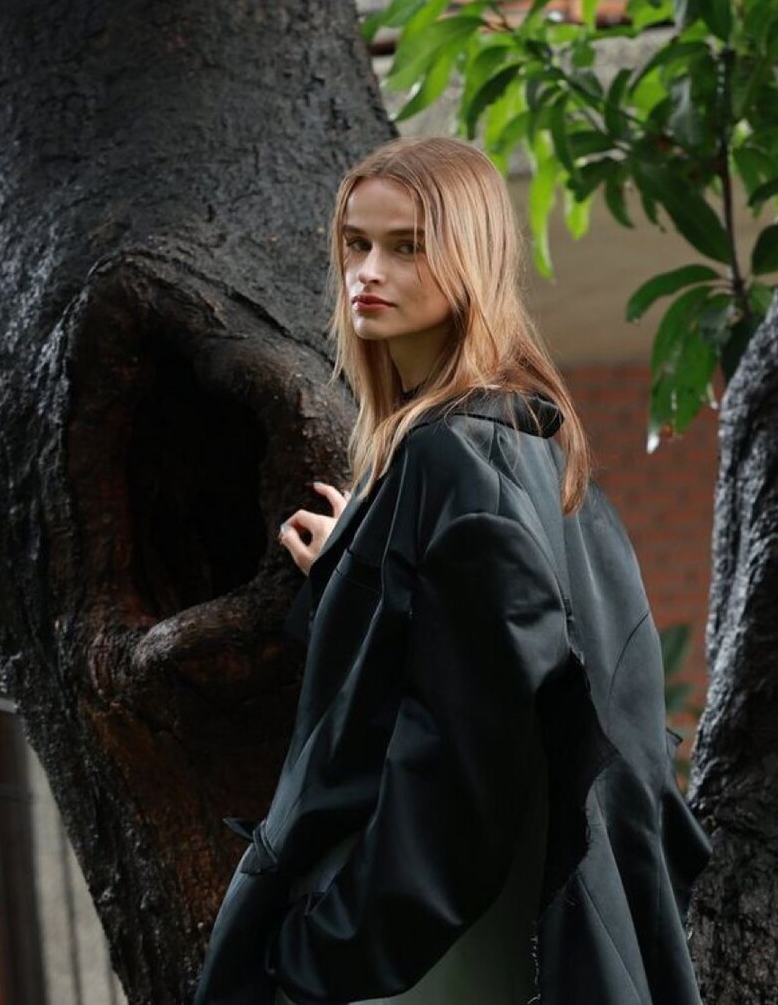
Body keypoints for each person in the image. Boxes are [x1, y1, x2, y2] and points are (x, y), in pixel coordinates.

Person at [192, 136, 711, 1005]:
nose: (369, 272)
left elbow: (461, 761)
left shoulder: (451, 458)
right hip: (487, 937)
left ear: (470, 258)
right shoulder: (535, 454)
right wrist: (356, 566)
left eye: (407, 247)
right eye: (356, 244)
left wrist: (331, 944)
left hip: (427, 956)